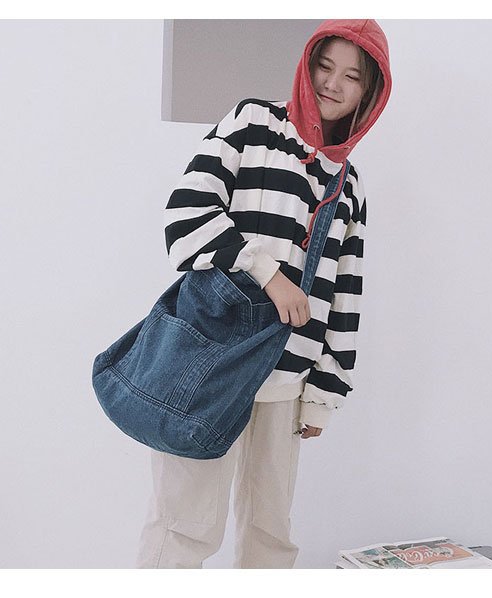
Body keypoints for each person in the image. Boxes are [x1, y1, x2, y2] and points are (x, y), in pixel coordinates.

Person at [136, 19, 392, 568]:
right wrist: (269, 273)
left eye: (352, 76)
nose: (332, 83)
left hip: (286, 375)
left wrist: (325, 390)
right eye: (325, 66)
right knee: (183, 526)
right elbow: (187, 212)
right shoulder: (253, 121)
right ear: (307, 64)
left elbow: (345, 292)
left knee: (270, 534)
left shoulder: (348, 182)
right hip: (210, 364)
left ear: (370, 93)